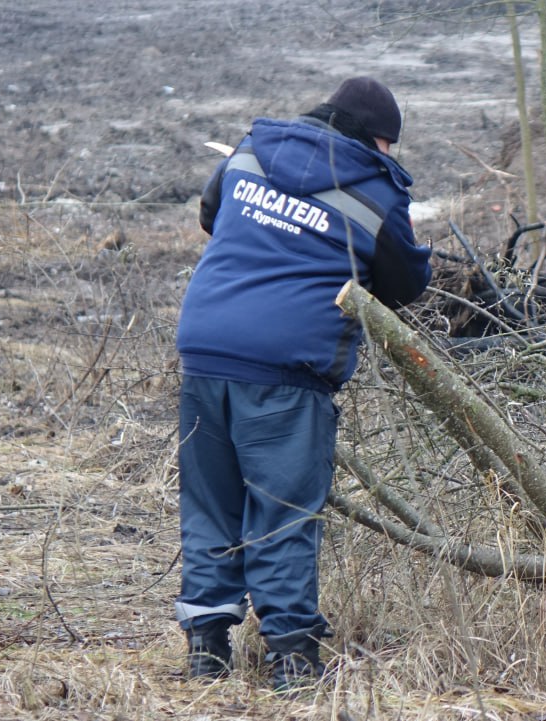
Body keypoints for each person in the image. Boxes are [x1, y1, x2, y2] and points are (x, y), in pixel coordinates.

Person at [174, 76, 432, 691]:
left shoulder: (250, 151)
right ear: (376, 139)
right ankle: (293, 658)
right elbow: (403, 284)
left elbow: (212, 215)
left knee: (211, 502)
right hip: (286, 369)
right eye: (390, 146)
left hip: (205, 349)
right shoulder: (375, 190)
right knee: (284, 511)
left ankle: (206, 647)